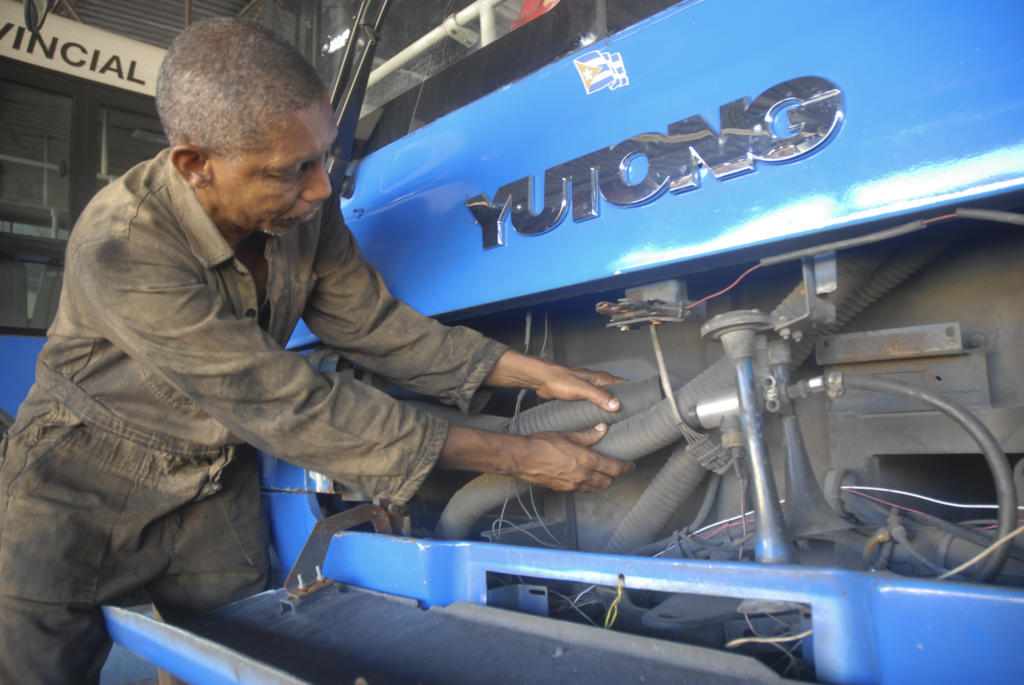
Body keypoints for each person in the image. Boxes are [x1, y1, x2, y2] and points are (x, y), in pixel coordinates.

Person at [0, 17, 633, 683]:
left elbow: (375, 324)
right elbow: (285, 403)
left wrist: (535, 375)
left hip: (215, 479)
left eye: (324, 156)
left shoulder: (304, 208)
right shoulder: (122, 245)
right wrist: (521, 454)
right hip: (82, 481)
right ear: (195, 166)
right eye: (293, 170)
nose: (322, 188)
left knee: (234, 653)